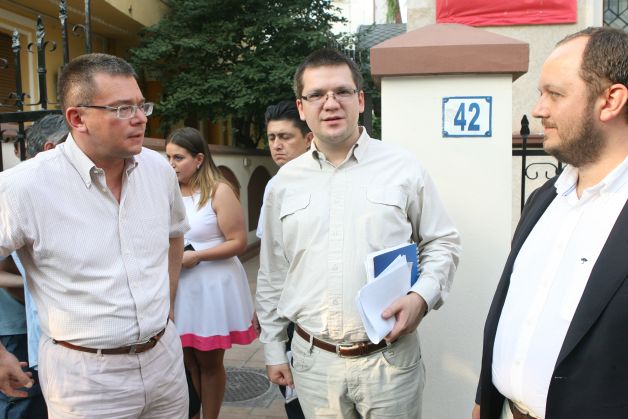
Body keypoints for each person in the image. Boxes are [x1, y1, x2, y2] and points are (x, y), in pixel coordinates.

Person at [256, 48, 461, 418]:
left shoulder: (403, 167)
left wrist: (421, 297)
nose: (330, 103)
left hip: (389, 362)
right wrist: (272, 347)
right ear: (302, 108)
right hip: (314, 365)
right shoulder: (283, 184)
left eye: (342, 91)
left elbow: (441, 242)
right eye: (316, 95)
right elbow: (273, 272)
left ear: (360, 100)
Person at [0, 53, 190, 418]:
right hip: (84, 379)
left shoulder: (158, 170)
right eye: (122, 108)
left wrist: (165, 306)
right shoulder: (24, 186)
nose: (140, 118)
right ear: (77, 118)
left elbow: (174, 235)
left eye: (141, 105)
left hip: (164, 361)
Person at [473, 27, 628, 419]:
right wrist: (483, 401)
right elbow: (510, 310)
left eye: (554, 94)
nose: (539, 109)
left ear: (611, 100)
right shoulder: (544, 200)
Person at [166, 127, 256, 419]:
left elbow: (238, 241)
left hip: (211, 286)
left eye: (178, 158)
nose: (171, 164)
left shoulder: (218, 190)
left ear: (199, 159)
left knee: (209, 361)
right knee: (187, 360)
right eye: (168, 157)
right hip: (180, 286)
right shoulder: (168, 193)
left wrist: (198, 255)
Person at [0, 113, 66, 418]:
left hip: (64, 338)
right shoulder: (14, 192)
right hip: (18, 328)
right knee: (23, 404)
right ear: (51, 148)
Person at [256, 100, 312, 419]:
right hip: (287, 313)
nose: (277, 145)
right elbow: (270, 262)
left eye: (285, 137)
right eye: (272, 137)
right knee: (295, 401)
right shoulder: (275, 186)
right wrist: (268, 319)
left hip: (317, 316)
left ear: (308, 138)